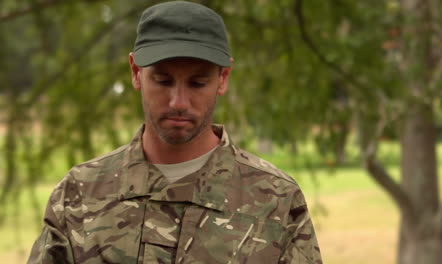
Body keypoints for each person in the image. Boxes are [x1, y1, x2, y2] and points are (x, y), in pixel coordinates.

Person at [27, 1, 322, 263]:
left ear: (223, 79)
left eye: (197, 83)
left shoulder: (276, 201)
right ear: (135, 72)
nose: (178, 102)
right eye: (163, 81)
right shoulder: (78, 195)